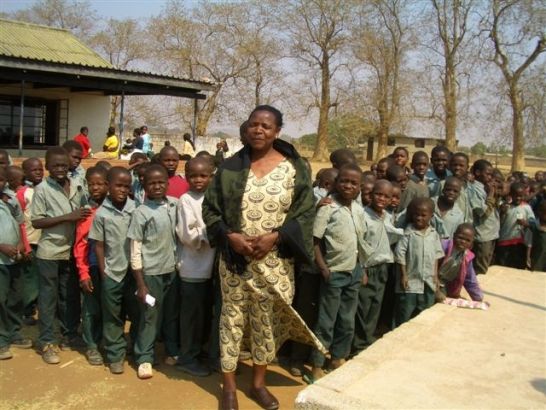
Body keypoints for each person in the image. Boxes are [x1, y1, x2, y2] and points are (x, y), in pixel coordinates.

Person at [203, 105, 325, 410]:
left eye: (266, 126)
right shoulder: (230, 167)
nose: (259, 130)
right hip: (236, 262)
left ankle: (258, 383)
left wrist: (276, 236)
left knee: (266, 323)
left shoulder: (294, 168)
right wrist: (230, 236)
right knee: (231, 321)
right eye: (254, 125)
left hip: (276, 261)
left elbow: (305, 211)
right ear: (246, 129)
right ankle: (229, 388)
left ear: (277, 132)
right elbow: (210, 209)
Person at [30, 147, 90, 364]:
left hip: (72, 251)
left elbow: (85, 210)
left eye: (64, 165)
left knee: (70, 295)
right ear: (47, 167)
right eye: (55, 166)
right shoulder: (43, 190)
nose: (60, 169)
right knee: (48, 298)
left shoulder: (77, 185)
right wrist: (69, 217)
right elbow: (37, 221)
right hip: (50, 252)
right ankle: (47, 341)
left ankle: (70, 334)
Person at [310, 164, 366, 382]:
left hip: (353, 272)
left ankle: (338, 358)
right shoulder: (328, 207)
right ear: (335, 183)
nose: (348, 186)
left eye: (354, 183)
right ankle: (317, 363)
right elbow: (315, 240)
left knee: (347, 320)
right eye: (344, 181)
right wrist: (324, 269)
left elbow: (360, 242)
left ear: (359, 187)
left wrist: (362, 268)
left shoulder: (359, 210)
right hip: (334, 273)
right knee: (326, 321)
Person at [127, 164, 178, 379]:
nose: (157, 186)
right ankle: (144, 357)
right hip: (150, 274)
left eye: (161, 182)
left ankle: (172, 350)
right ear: (144, 185)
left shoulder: (175, 205)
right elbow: (135, 249)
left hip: (172, 271)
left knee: (170, 314)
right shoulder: (141, 212)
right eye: (152, 183)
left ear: (168, 184)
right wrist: (141, 283)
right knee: (150, 314)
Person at [88, 167, 138, 375]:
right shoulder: (101, 214)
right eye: (118, 185)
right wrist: (103, 271)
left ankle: (135, 348)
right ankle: (115, 354)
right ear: (108, 186)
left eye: (127, 186)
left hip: (134, 272)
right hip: (112, 271)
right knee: (112, 315)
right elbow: (98, 245)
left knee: (136, 312)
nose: (123, 190)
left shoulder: (136, 208)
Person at [175, 157, 215, 377]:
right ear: (186, 176)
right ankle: (187, 357)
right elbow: (188, 235)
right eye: (193, 176)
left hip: (211, 267)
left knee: (203, 314)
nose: (198, 180)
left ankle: (199, 352)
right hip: (193, 268)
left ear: (211, 175)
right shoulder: (186, 200)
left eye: (203, 175)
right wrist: (214, 234)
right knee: (191, 316)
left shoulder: (213, 197)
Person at [352, 180, 402, 356]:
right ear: (371, 195)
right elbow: (358, 244)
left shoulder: (387, 217)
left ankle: (366, 341)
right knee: (362, 308)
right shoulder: (363, 216)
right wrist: (362, 268)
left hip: (383, 268)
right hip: (368, 268)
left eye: (386, 196)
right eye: (378, 194)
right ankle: (358, 346)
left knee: (375, 307)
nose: (381, 198)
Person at [73, 167, 108, 366]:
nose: (95, 187)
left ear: (108, 185)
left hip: (113, 269)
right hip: (93, 267)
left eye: (100, 183)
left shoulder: (116, 209)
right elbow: (80, 245)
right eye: (91, 183)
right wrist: (83, 273)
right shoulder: (87, 213)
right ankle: (92, 345)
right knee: (91, 308)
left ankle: (108, 341)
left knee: (110, 307)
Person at [393, 198, 444, 327]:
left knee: (424, 313)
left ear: (431, 216)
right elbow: (400, 255)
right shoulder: (408, 233)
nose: (419, 218)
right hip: (410, 281)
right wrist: (404, 275)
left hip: (428, 280)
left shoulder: (433, 234)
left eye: (423, 215)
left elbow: (436, 256)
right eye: (416, 215)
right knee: (404, 312)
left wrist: (435, 276)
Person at [0, 167, 32, 360]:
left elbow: (20, 223)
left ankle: (14, 332)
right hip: (1, 259)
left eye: (1, 179)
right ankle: (2, 340)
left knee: (15, 297)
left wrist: (21, 244)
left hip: (14, 258)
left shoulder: (10, 199)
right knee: (0, 300)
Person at [18, 158, 44, 325]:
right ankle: (27, 310)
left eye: (40, 169)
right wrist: (24, 245)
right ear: (25, 173)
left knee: (42, 279)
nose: (39, 172)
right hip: (31, 242)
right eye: (34, 170)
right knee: (30, 279)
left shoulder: (44, 189)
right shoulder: (22, 193)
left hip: (44, 242)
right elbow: (19, 222)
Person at [437, 223, 483, 301]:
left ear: (471, 243)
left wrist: (478, 299)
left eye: (467, 240)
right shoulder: (443, 246)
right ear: (454, 235)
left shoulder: (467, 257)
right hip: (433, 281)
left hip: (449, 286)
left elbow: (470, 280)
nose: (463, 242)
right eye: (460, 238)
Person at [468, 159, 499, 275]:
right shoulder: (474, 189)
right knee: (480, 269)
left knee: (486, 267)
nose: (490, 177)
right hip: (482, 235)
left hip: (491, 233)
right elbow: (483, 212)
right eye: (488, 174)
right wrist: (491, 194)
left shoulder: (485, 187)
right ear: (477, 173)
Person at [495, 182, 535, 269]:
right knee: (502, 267)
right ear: (510, 194)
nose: (518, 198)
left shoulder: (526, 207)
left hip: (520, 243)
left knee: (518, 267)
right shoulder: (505, 206)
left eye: (521, 196)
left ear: (524, 195)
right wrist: (502, 212)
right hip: (504, 241)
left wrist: (525, 223)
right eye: (515, 195)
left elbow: (533, 223)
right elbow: (497, 222)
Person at [433, 176, 464, 240]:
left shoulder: (459, 215)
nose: (451, 193)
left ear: (459, 194)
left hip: (445, 248)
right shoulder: (431, 204)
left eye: (455, 191)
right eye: (448, 189)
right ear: (443, 190)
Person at [529, 200, 546, 271]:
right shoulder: (535, 225)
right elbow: (528, 243)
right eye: (544, 212)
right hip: (538, 261)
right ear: (539, 212)